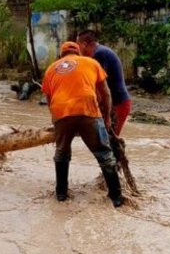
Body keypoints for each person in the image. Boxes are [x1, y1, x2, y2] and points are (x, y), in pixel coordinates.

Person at [41, 41, 123, 207]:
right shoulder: (91, 63)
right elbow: (106, 93)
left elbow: (49, 99)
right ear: (78, 53)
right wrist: (106, 118)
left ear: (61, 54)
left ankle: (61, 195)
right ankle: (116, 198)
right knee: (104, 154)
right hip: (88, 111)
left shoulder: (51, 69)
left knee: (62, 153)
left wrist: (55, 119)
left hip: (61, 112)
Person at [76, 30, 132, 136]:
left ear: (84, 44)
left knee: (108, 141)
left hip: (117, 104)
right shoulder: (101, 52)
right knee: (104, 140)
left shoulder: (99, 54)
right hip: (116, 103)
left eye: (78, 45)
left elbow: (100, 87)